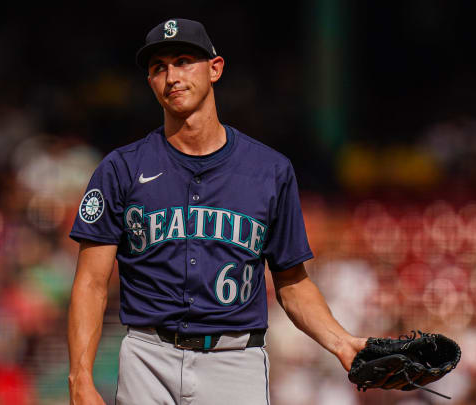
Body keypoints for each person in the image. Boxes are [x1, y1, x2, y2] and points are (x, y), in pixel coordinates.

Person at [67, 18, 367, 405]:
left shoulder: (270, 171)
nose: (172, 76)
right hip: (147, 356)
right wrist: (80, 377)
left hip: (234, 360)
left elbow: (292, 281)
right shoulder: (120, 169)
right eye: (159, 68)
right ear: (150, 83)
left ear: (215, 69)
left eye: (184, 61)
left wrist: (341, 342)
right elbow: (91, 282)